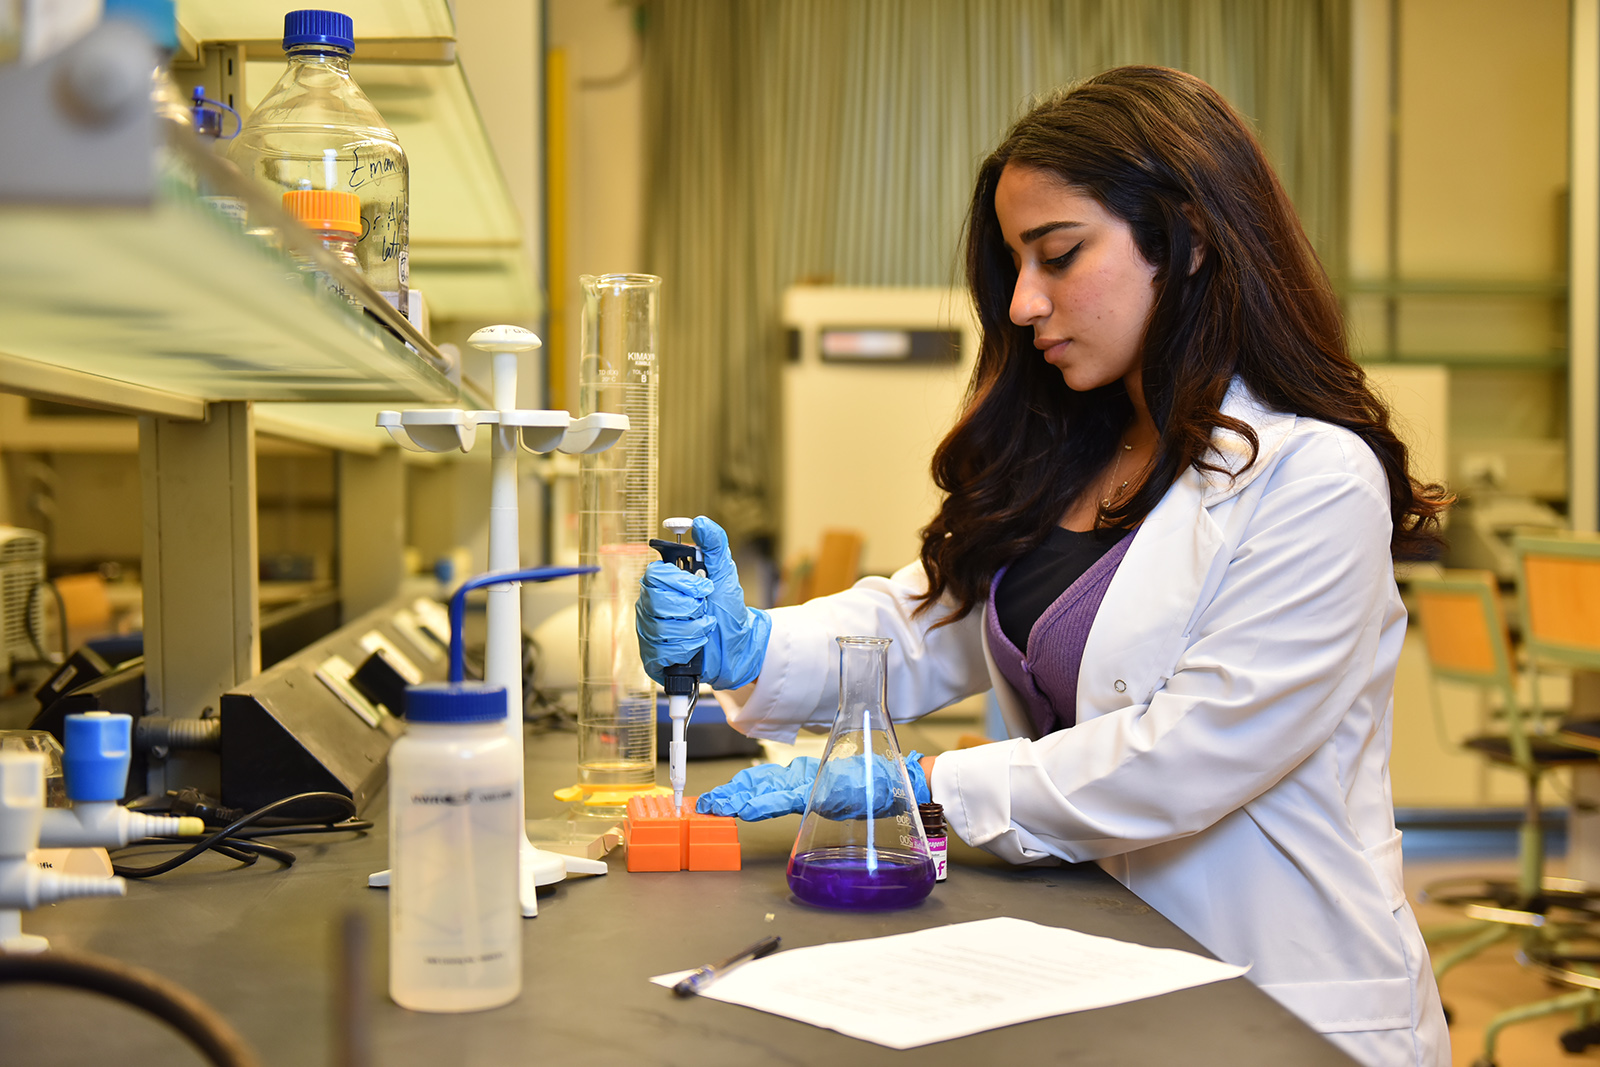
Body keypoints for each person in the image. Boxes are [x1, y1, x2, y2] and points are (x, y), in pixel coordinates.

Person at [636, 65, 1451, 1067]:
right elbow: (920, 624)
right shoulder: (1075, 452)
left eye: (1058, 255)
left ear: (1188, 237)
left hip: (1279, 997)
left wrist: (921, 780)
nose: (1022, 302)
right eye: (1014, 264)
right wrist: (756, 640)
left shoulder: (1312, 477)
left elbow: (1189, 752)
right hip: (1103, 970)